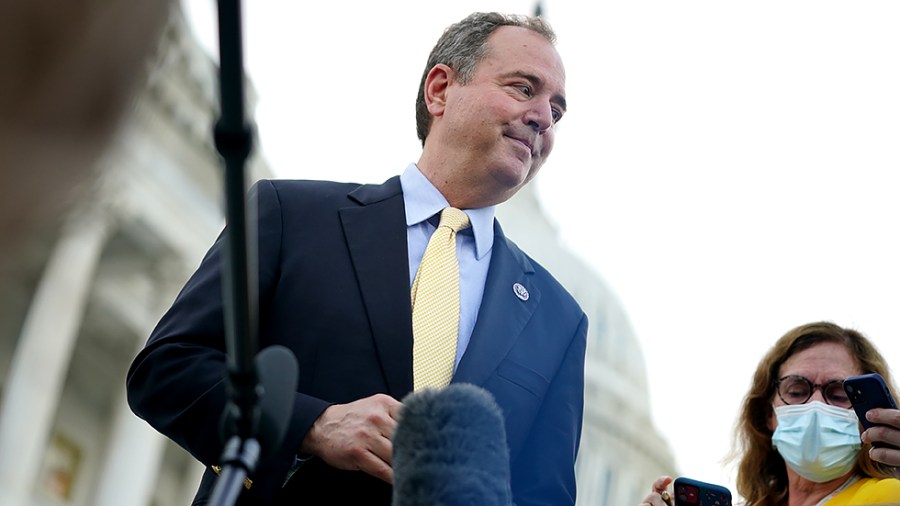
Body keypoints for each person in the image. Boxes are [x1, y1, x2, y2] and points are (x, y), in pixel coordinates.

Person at [126, 11, 587, 506]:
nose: (543, 118)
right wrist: (314, 425)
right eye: (523, 89)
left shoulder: (557, 321)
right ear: (439, 90)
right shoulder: (292, 217)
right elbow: (167, 371)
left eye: (556, 111)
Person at [640, 322, 900, 506]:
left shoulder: (890, 496)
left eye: (839, 394)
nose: (816, 405)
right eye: (797, 391)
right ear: (768, 414)